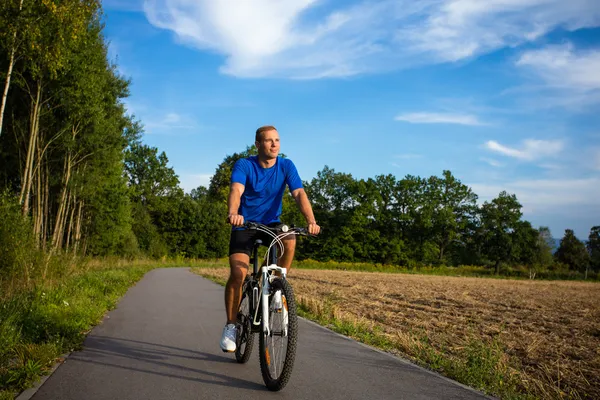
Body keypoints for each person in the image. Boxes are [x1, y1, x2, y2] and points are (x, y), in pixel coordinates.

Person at [220, 125, 321, 352]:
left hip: (271, 224)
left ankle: (274, 287)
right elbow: (236, 190)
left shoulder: (286, 165)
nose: (274, 144)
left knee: (290, 238)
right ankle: (231, 325)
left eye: (277, 140)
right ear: (258, 144)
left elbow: (299, 194)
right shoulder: (245, 164)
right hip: (244, 223)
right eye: (268, 140)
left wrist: (311, 221)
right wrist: (233, 213)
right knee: (238, 273)